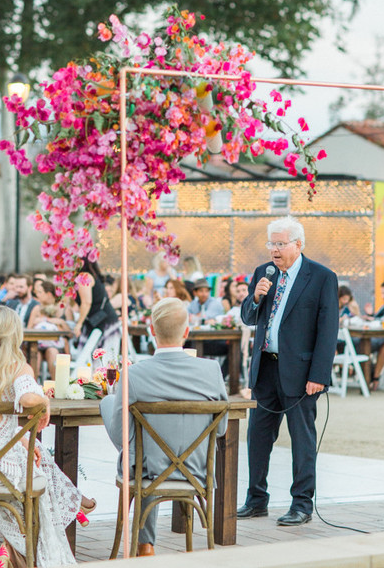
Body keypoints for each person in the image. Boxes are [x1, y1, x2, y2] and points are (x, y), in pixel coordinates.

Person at [0, 306, 95, 568]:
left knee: (33, 453)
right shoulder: (17, 367)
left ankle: (14, 548)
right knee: (37, 470)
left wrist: (21, 438)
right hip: (2, 472)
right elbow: (28, 398)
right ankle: (18, 548)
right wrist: (42, 402)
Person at [100, 298, 228, 556]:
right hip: (197, 470)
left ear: (151, 331)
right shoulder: (211, 371)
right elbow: (222, 428)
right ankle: (147, 541)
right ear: (187, 332)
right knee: (147, 444)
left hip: (149, 470)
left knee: (110, 405)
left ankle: (145, 544)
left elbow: (119, 435)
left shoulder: (134, 375)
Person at [237, 215, 338, 527]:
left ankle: (302, 504)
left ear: (298, 245)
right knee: (257, 436)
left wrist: (319, 376)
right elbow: (248, 318)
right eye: (271, 243)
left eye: (280, 244)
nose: (274, 250)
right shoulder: (262, 274)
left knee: (302, 439)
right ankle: (256, 500)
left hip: (302, 373)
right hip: (266, 368)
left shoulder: (321, 277)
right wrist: (255, 298)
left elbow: (328, 329)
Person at [70, 259, 121, 354]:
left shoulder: (84, 277)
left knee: (98, 359)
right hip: (104, 320)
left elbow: (86, 302)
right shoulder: (94, 276)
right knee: (105, 359)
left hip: (102, 323)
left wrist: (79, 324)